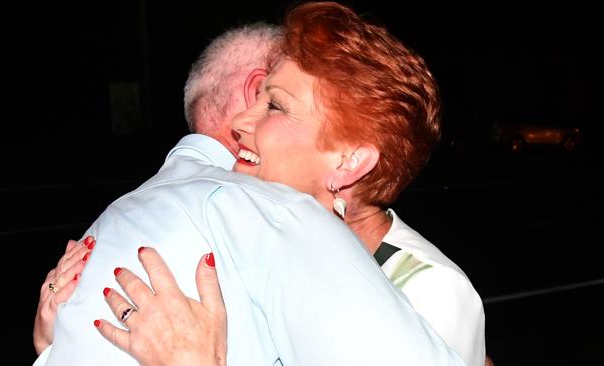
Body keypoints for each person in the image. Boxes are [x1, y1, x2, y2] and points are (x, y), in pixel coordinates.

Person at [33, 19, 463, 366]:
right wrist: (60, 344)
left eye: (274, 105)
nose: (242, 125)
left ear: (349, 160)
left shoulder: (429, 286)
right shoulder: (249, 226)